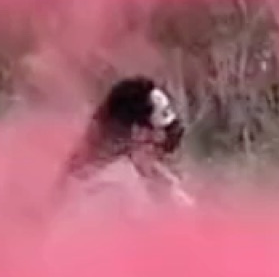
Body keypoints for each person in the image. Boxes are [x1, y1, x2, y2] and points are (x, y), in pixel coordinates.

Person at [60, 75, 194, 211]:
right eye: (162, 128)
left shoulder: (162, 182)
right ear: (138, 132)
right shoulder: (108, 190)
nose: (168, 135)